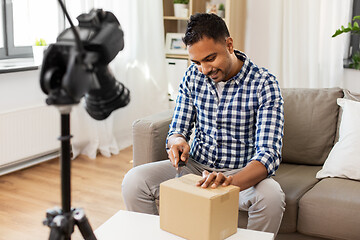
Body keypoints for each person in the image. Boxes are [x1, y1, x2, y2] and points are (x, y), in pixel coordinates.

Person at [122, 13, 285, 236]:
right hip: (196, 168)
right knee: (134, 181)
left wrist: (229, 182)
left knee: (272, 197)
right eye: (197, 62)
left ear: (229, 45)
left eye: (210, 59)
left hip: (239, 172)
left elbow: (269, 154)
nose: (204, 70)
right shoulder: (192, 76)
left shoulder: (264, 83)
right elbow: (177, 129)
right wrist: (177, 141)